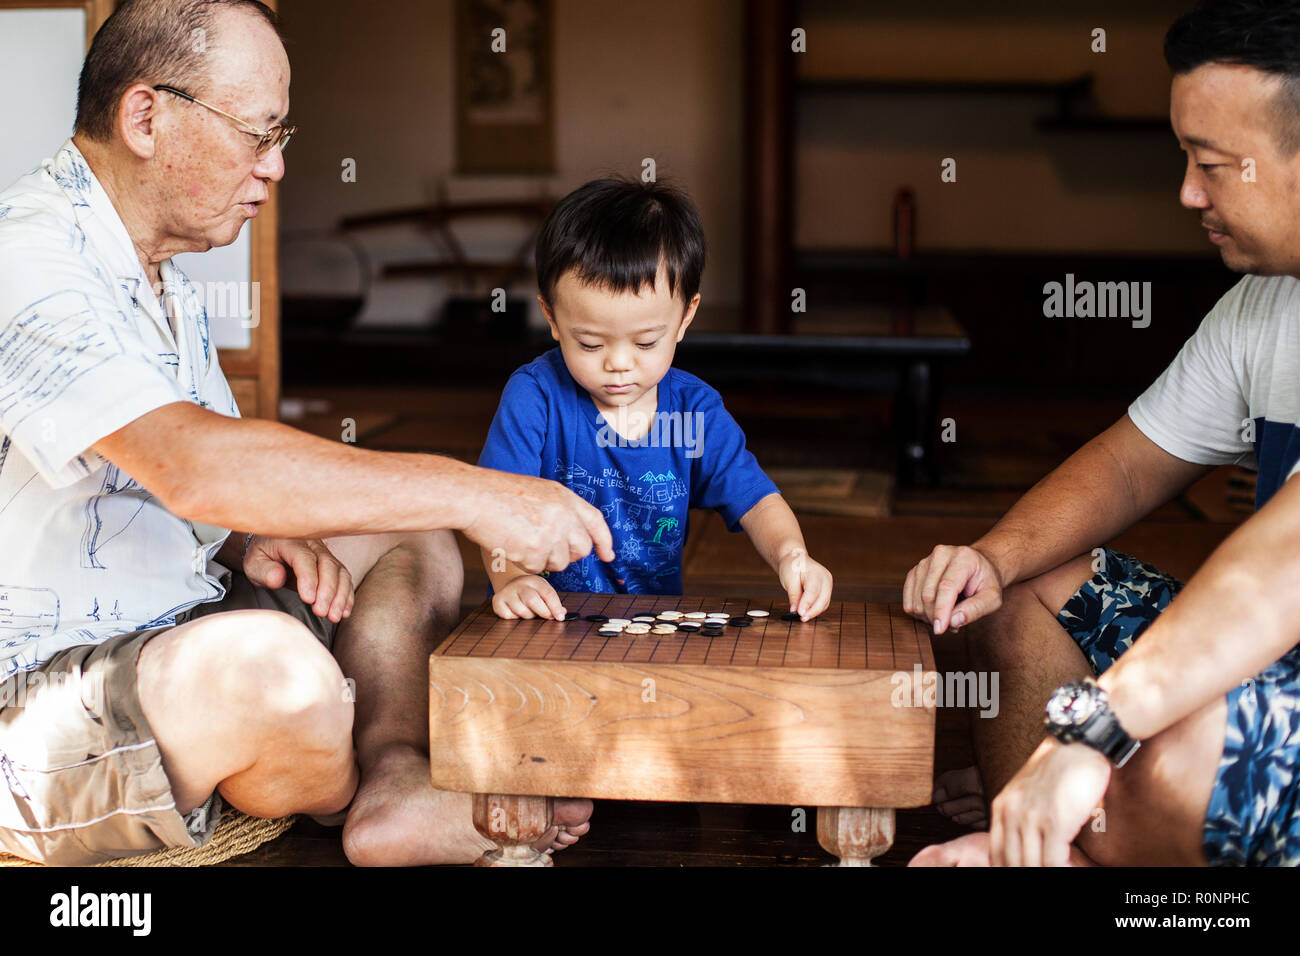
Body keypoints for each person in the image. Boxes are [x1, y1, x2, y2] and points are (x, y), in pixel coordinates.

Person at [0, 0, 609, 866]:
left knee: (405, 532)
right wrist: (485, 493)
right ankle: (335, 771)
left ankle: (394, 774)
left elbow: (161, 472)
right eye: (259, 134)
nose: (277, 167)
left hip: (176, 621)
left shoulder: (153, 270)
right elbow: (187, 461)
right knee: (283, 676)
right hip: (37, 695)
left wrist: (250, 537)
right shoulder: (28, 257)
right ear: (145, 116)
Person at [904, 0, 1300, 867]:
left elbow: (1290, 557)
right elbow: (1129, 464)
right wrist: (996, 557)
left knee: (1175, 758)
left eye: (1211, 164)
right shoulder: (1265, 302)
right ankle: (1038, 844)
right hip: (1263, 657)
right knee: (1021, 594)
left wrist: (1097, 730)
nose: (1188, 192)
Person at [476, 178, 834, 620]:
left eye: (646, 343)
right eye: (590, 344)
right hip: (545, 621)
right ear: (551, 316)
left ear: (685, 317)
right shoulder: (535, 398)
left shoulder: (693, 412)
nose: (619, 364)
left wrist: (792, 555)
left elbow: (757, 500)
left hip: (651, 628)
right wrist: (511, 578)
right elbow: (492, 504)